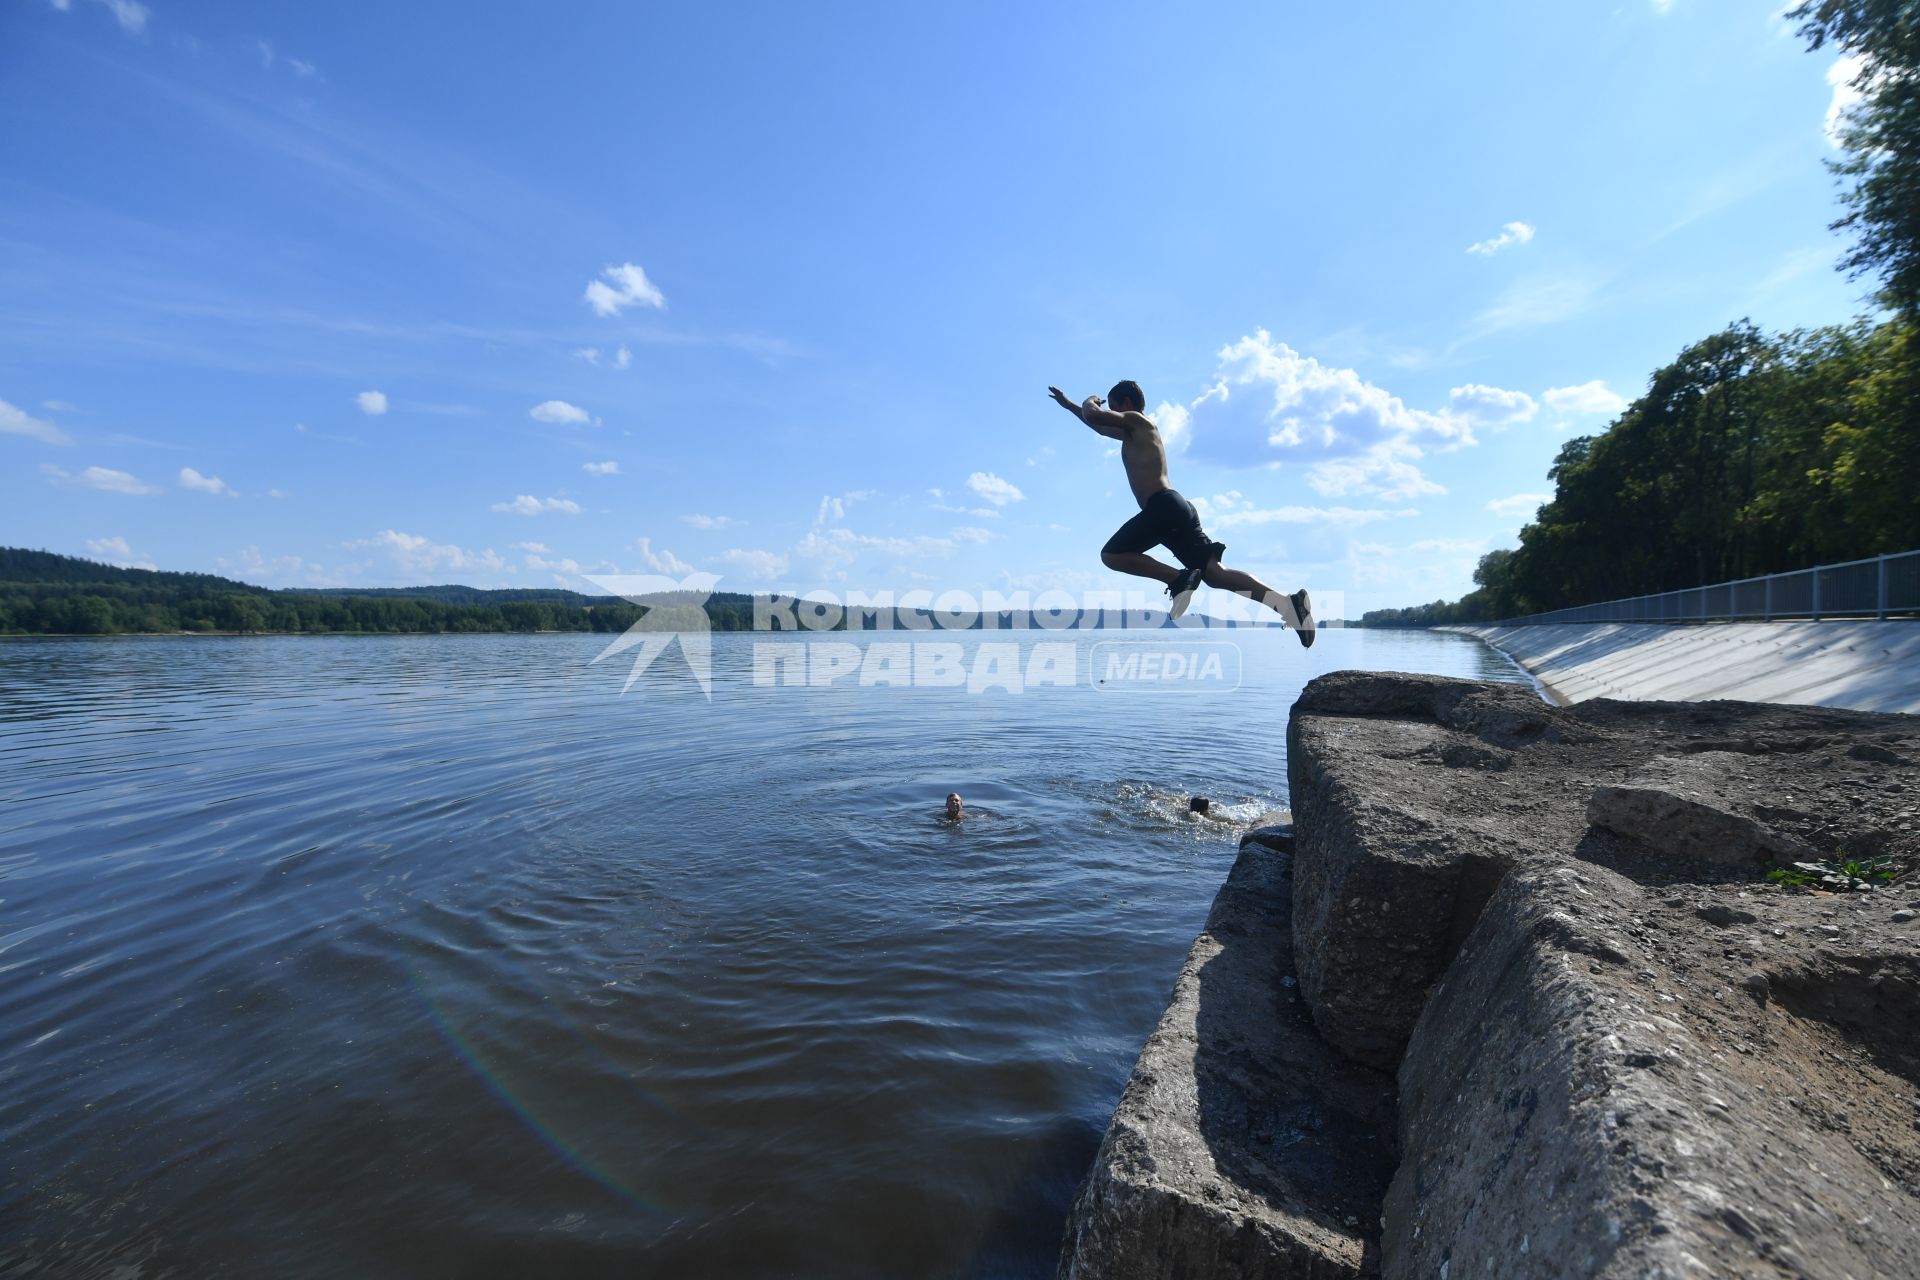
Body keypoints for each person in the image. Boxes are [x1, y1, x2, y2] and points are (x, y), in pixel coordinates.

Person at [1048, 380, 1314, 645]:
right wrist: (1069, 405)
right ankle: (1288, 605)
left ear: (1126, 404)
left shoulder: (1137, 421)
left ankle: (1178, 578)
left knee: (1112, 555)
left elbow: (1093, 414)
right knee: (1215, 574)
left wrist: (1089, 401)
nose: (1112, 413)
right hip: (1174, 510)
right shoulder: (1131, 431)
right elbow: (1096, 424)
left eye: (1114, 406)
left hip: (1163, 507)